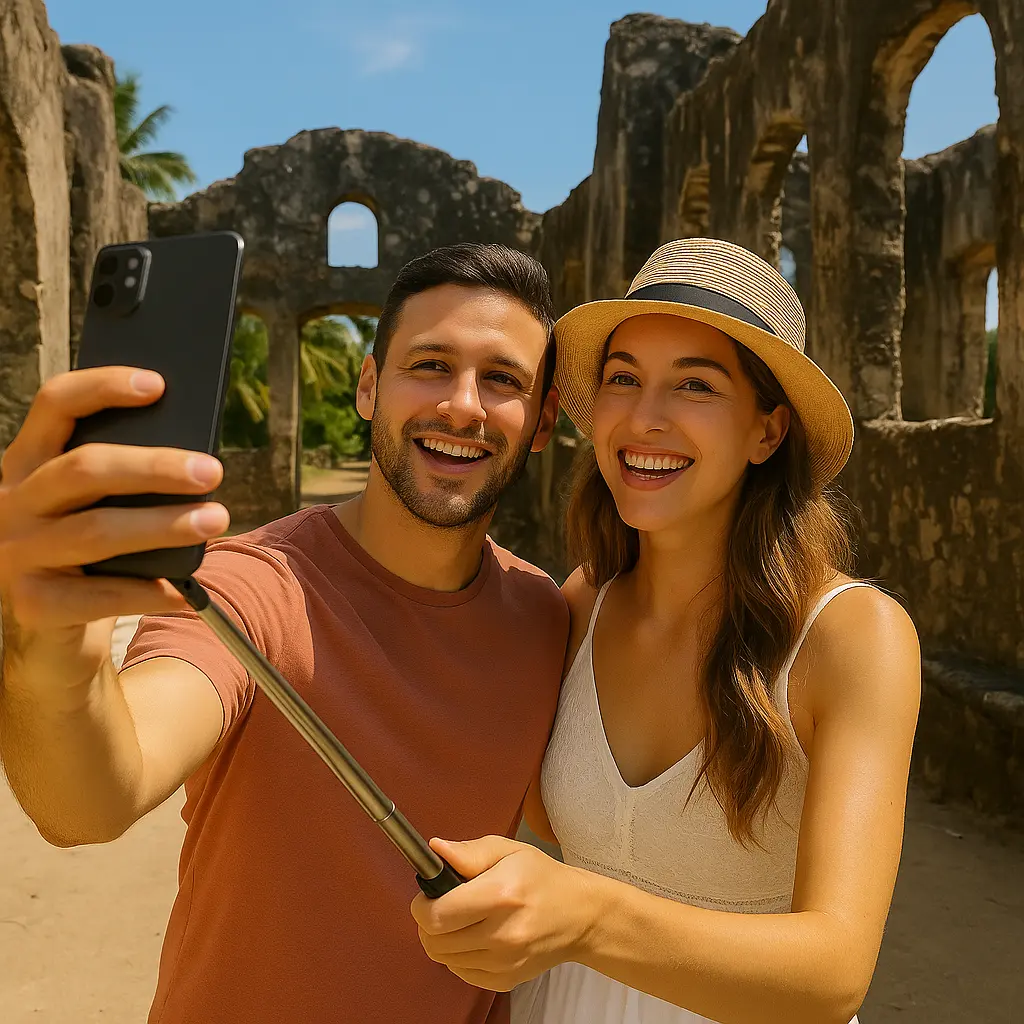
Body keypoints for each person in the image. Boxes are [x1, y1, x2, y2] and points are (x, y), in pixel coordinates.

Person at [0, 243, 569, 1024]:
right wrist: (54, 645)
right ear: (369, 388)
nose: (463, 404)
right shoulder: (252, 586)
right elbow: (91, 800)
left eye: (502, 379)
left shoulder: (545, 617)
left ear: (543, 422)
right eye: (429, 364)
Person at [410, 238, 922, 1024]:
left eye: (695, 384)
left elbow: (834, 972)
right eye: (624, 380)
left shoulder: (852, 635)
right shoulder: (582, 603)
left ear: (767, 432)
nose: (645, 419)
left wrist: (586, 918)